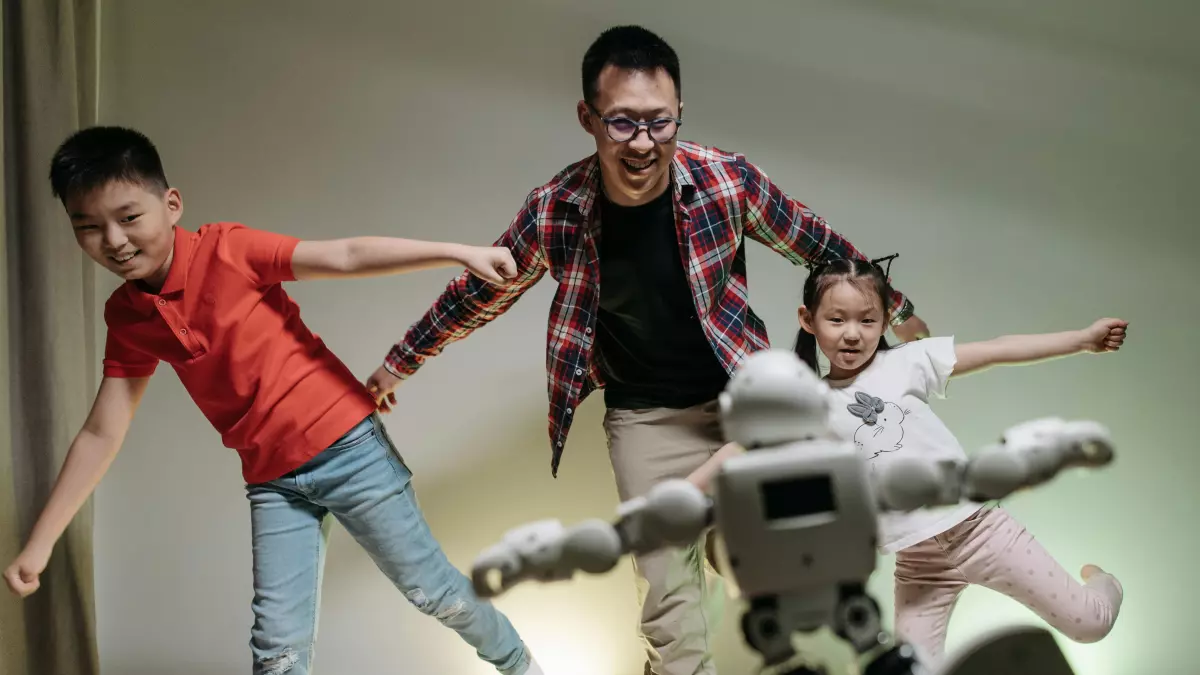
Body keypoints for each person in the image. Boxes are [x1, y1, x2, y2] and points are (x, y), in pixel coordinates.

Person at [363, 25, 930, 675]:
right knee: (669, 595)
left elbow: (823, 246)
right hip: (644, 420)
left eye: (660, 123)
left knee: (779, 558)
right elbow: (477, 293)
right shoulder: (558, 209)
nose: (642, 144)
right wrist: (399, 361)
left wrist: (902, 314)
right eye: (622, 123)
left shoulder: (726, 181)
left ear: (680, 111)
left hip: (742, 407)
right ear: (588, 117)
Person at [2, 126, 544, 675]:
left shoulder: (227, 249)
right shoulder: (127, 316)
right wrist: (40, 545)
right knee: (276, 650)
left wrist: (458, 253)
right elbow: (102, 431)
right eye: (88, 227)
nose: (114, 241)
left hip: (350, 450)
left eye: (129, 218)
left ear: (171, 204)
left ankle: (522, 667)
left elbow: (347, 255)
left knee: (433, 592)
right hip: (272, 481)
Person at [686, 257, 1125, 667]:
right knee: (907, 671)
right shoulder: (809, 405)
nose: (852, 333)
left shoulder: (909, 361)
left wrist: (1081, 340)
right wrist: (685, 492)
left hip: (980, 532)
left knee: (1091, 623)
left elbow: (998, 348)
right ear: (809, 320)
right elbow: (743, 447)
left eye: (867, 320)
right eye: (836, 320)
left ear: (884, 321)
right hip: (918, 564)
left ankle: (1101, 579)